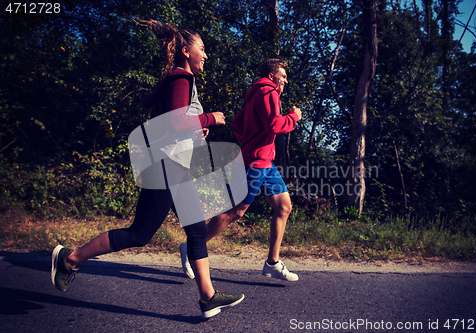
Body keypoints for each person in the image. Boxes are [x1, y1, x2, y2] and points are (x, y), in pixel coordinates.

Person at [51, 18, 244, 319]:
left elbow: (172, 124)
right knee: (140, 234)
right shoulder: (182, 79)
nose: (206, 55)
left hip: (174, 165)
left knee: (196, 230)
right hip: (166, 166)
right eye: (202, 49)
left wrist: (196, 131)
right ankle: (70, 258)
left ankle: (208, 297)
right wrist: (210, 119)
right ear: (185, 51)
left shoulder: (178, 80)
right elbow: (176, 121)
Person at [181, 59, 302, 281]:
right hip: (255, 162)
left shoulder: (258, 94)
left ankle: (272, 263)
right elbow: (275, 125)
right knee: (235, 211)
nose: (286, 80)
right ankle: (191, 247)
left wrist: (251, 142)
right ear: (273, 76)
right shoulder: (268, 92)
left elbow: (237, 123)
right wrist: (294, 117)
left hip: (266, 162)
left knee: (284, 207)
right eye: (283, 76)